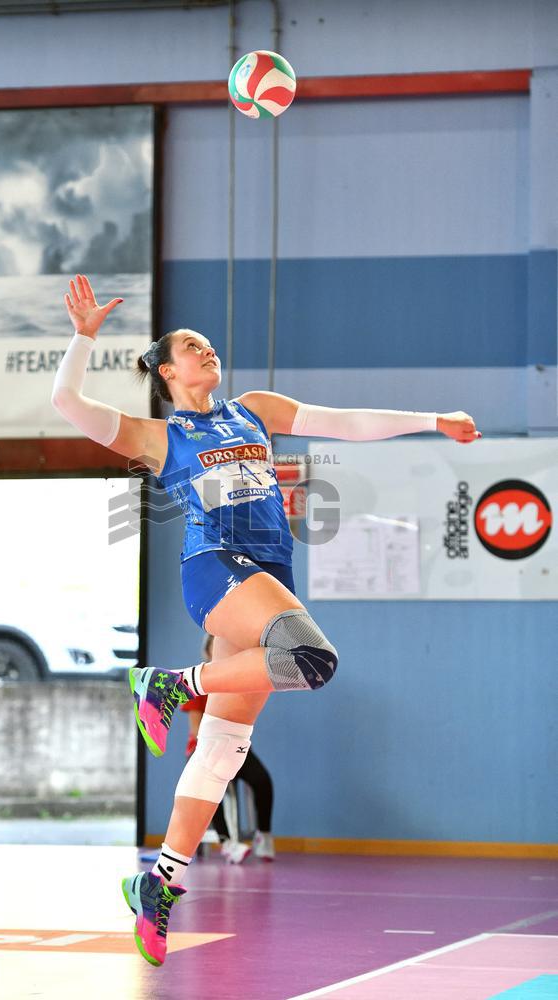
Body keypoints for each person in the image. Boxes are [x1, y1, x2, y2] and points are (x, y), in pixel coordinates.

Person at [52, 274, 481, 967]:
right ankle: (169, 683)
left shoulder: (253, 410)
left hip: (266, 579)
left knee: (222, 749)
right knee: (314, 659)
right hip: (217, 566)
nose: (209, 351)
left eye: (211, 345)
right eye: (194, 347)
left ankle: (158, 880)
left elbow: (345, 423)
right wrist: (82, 337)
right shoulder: (161, 435)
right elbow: (66, 402)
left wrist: (433, 420)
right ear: (167, 371)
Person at [182, 634, 275, 864]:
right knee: (211, 791)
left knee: (262, 780)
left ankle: (263, 835)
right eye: (217, 645)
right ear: (208, 650)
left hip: (234, 747)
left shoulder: (238, 680)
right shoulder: (200, 681)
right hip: (205, 748)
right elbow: (195, 728)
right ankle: (227, 843)